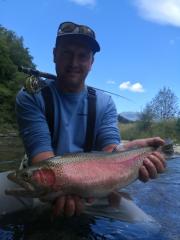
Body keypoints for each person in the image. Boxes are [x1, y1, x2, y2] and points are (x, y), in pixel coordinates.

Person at [16, 21, 166, 217]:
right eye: (67, 53)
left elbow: (110, 151)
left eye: (83, 56)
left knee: (149, 229)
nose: (74, 63)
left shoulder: (104, 103)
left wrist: (130, 153)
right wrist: (63, 188)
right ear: (54, 54)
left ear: (91, 62)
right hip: (45, 186)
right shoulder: (31, 96)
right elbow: (41, 157)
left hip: (96, 185)